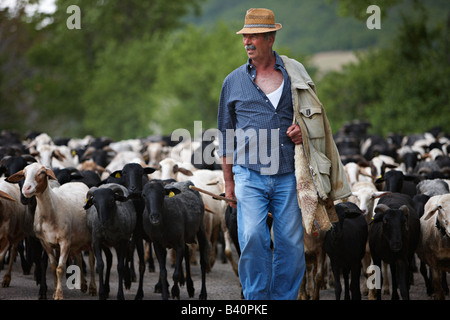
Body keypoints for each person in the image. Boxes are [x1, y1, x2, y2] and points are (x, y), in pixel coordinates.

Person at [217, 8, 351, 300]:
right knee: (252, 236)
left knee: (291, 243)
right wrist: (228, 183)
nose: (247, 42)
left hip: (290, 176)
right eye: (245, 36)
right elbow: (226, 137)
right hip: (249, 174)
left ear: (270, 37)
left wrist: (302, 133)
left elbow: (314, 119)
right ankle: (256, 300)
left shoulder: (294, 75)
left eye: (253, 36)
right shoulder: (233, 81)